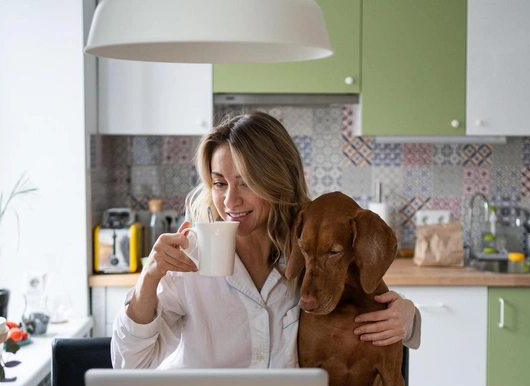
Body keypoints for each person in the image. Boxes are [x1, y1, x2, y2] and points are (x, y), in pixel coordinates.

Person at [111, 111, 421, 369]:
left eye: (246, 183)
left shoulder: (309, 250)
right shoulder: (189, 254)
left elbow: (370, 306)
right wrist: (149, 278)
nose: (230, 201)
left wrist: (409, 317)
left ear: (278, 182)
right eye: (220, 184)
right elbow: (131, 364)